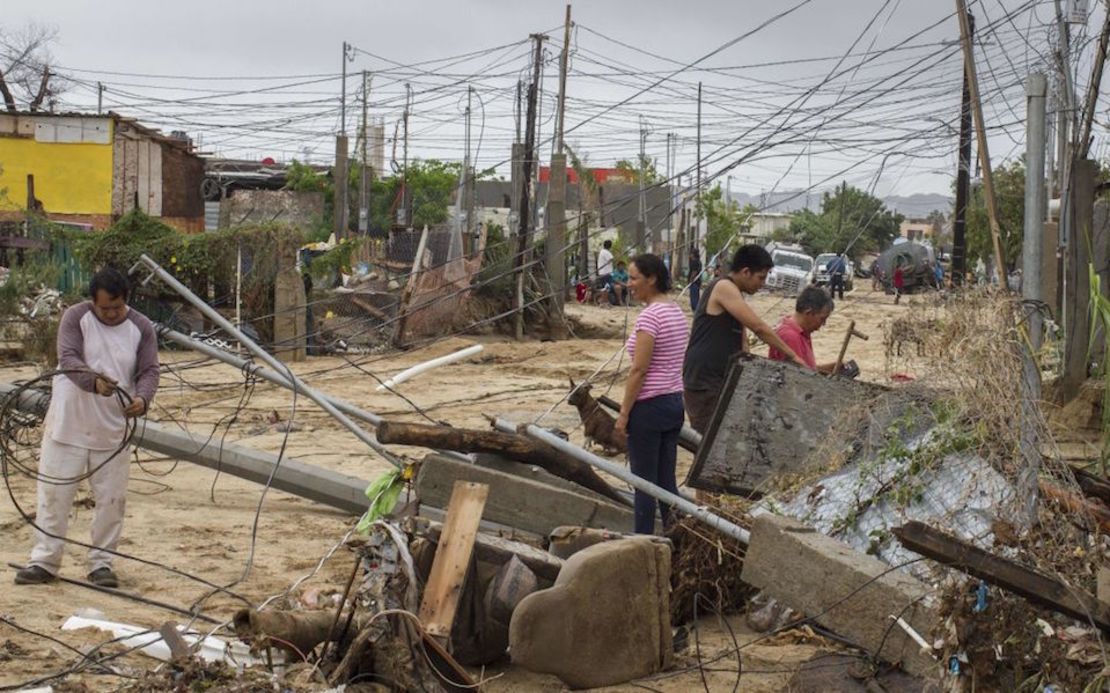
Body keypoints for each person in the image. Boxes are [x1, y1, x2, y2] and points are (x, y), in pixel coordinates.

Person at [15, 268, 159, 587]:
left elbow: (149, 370)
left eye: (117, 307)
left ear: (127, 301)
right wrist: (92, 381)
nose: (110, 314)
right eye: (104, 307)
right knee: (55, 495)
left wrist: (143, 398)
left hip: (113, 428)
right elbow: (68, 358)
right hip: (69, 423)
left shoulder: (141, 327)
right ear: (93, 301)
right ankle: (45, 560)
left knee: (111, 500)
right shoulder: (75, 317)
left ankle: (101, 564)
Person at [682, 244, 808, 434]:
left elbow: (743, 341)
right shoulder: (724, 286)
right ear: (746, 272)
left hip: (720, 380)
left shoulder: (735, 295)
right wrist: (793, 356)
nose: (762, 284)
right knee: (709, 445)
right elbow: (758, 327)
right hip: (705, 382)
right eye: (761, 278)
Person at [614, 254, 688, 535]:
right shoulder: (675, 312)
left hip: (649, 406)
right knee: (666, 483)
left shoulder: (651, 316)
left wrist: (623, 415)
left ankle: (641, 542)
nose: (629, 284)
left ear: (652, 279)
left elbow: (639, 370)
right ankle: (677, 538)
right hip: (673, 403)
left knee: (643, 484)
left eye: (634, 278)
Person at [768, 286, 838, 373]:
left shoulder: (802, 332)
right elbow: (801, 377)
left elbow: (807, 369)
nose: (823, 324)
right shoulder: (790, 336)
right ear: (808, 313)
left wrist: (832, 367)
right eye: (822, 319)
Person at [687, 247, 703, 313]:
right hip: (697, 282)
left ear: (693, 254)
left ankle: (695, 311)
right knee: (696, 297)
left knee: (694, 298)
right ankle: (696, 310)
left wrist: (691, 280)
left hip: (694, 282)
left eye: (691, 254)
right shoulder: (698, 261)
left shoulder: (695, 262)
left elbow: (694, 272)